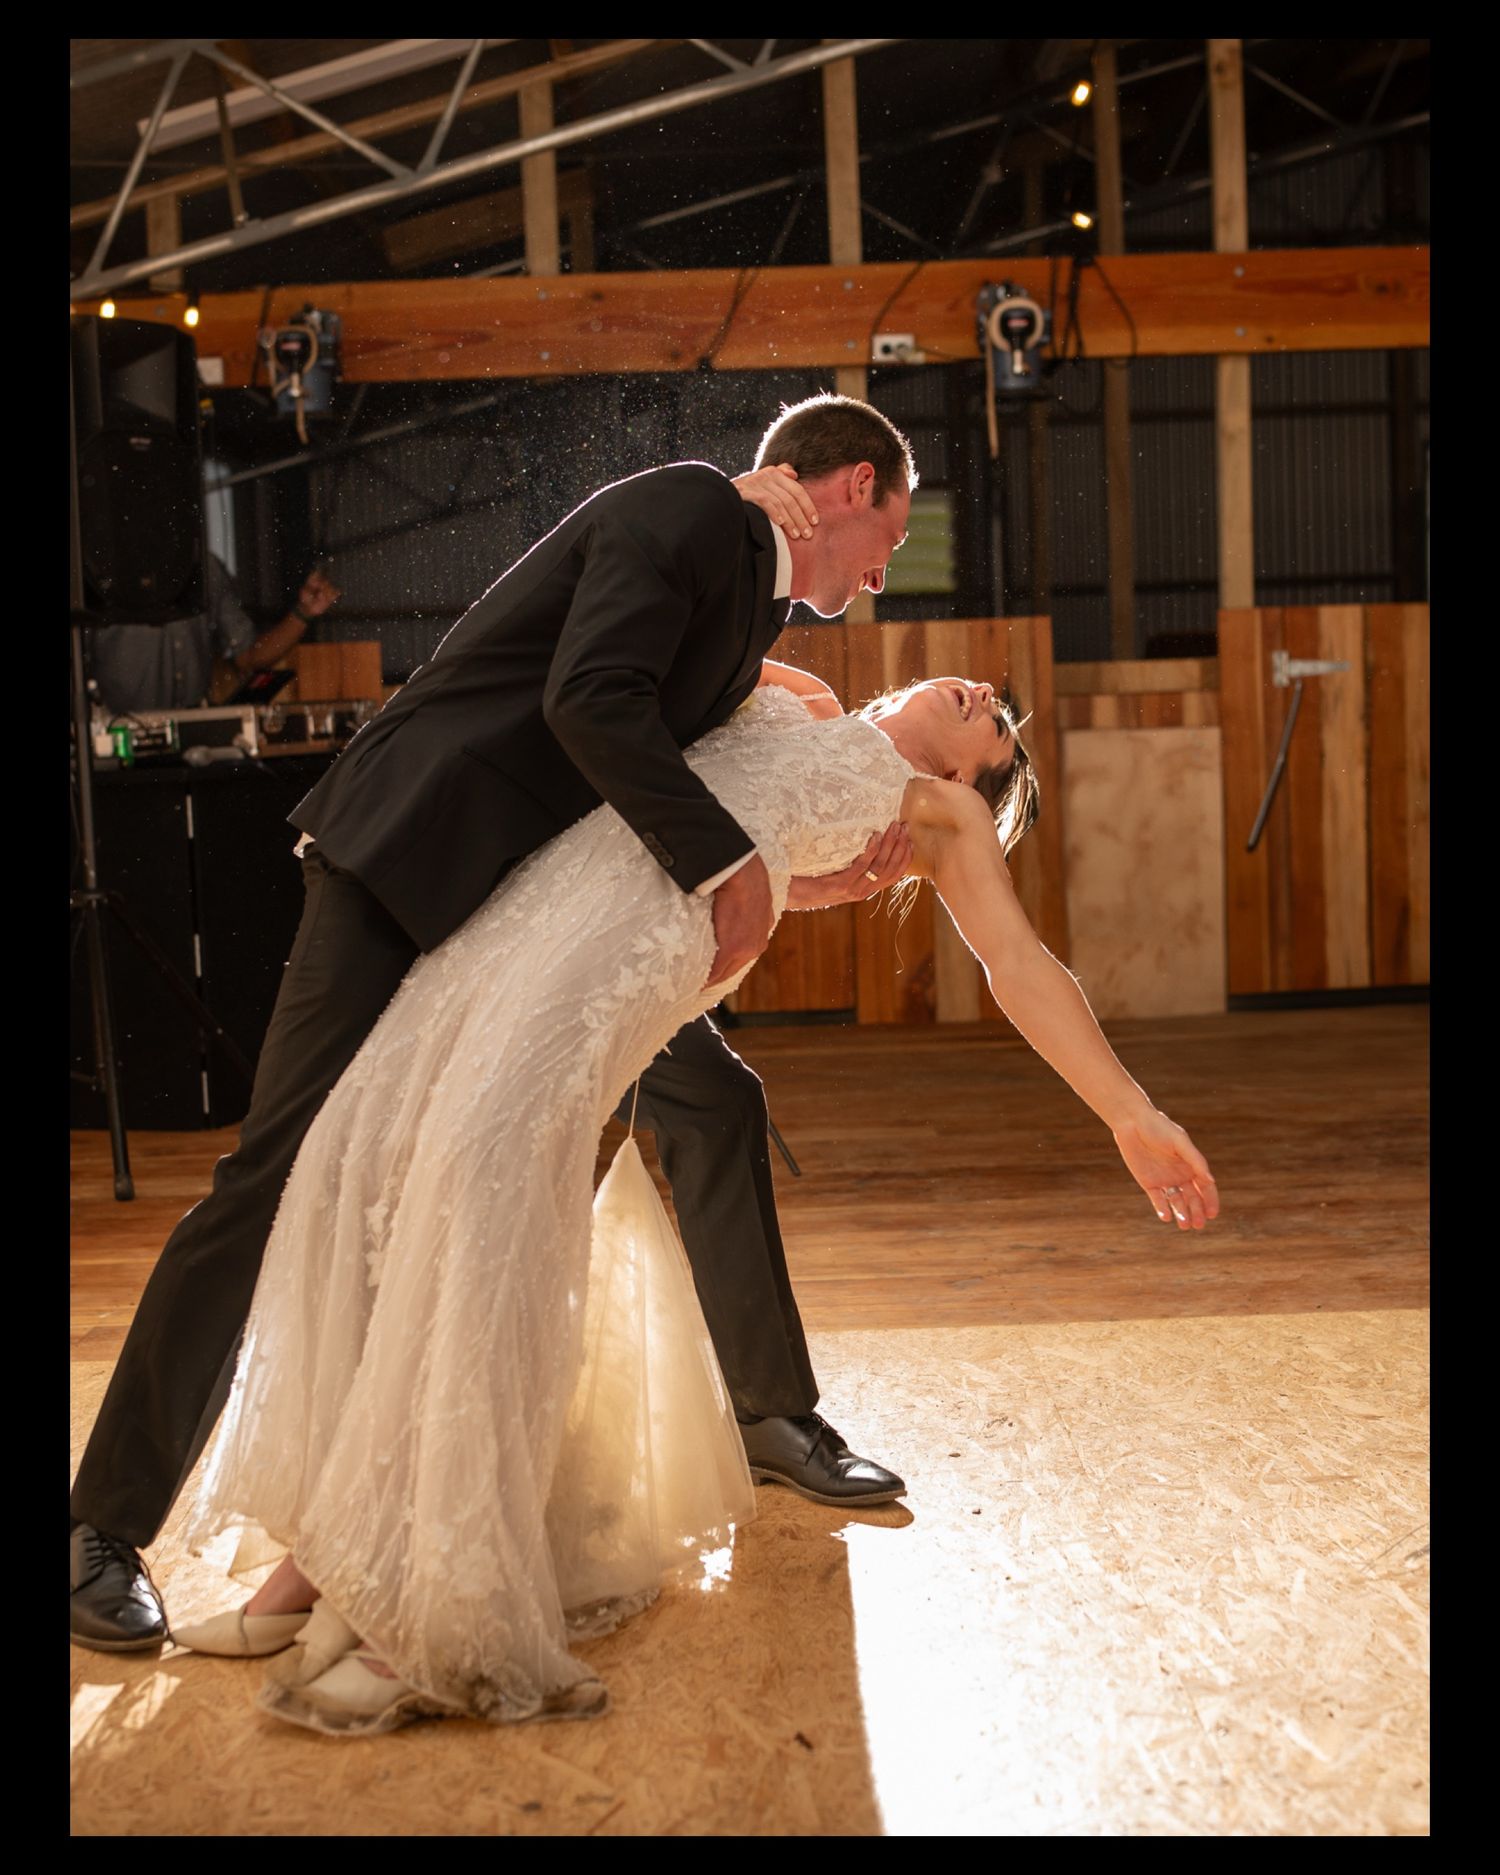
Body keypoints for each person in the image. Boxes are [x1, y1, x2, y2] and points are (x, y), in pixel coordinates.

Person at [171, 663, 1217, 1736]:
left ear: (962, 781)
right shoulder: (802, 694)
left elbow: (1020, 965)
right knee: (397, 1171)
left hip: (624, 961)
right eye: (989, 695)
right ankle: (316, 1567)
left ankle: (423, 1603)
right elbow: (666, 683)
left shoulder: (934, 815)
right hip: (536, 916)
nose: (983, 696)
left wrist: (1131, 1114)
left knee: (487, 1212)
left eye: (991, 727)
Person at [69, 394, 918, 1657]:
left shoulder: (749, 587)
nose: (887, 571)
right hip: (411, 858)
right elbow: (592, 701)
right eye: (891, 535)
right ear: (850, 486)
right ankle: (99, 1527)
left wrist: (814, 868)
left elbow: (684, 734)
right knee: (273, 1174)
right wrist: (727, 865)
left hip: (533, 917)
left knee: (714, 1102)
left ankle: (768, 1415)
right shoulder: (694, 506)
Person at [86, 553, 341, 716]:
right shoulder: (93, 567)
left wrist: (303, 613)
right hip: (116, 742)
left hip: (194, 740)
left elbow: (250, 656)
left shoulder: (206, 567)